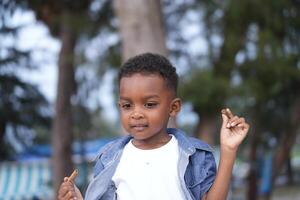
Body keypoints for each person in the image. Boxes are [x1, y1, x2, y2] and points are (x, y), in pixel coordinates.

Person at [58, 53, 250, 200]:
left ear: (173, 107)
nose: (136, 113)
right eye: (127, 105)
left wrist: (228, 150)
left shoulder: (195, 156)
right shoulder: (108, 159)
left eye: (149, 104)